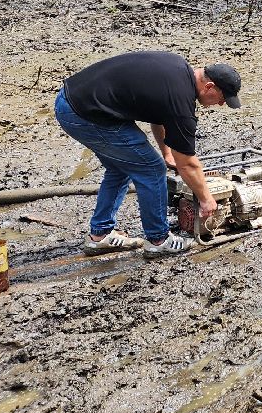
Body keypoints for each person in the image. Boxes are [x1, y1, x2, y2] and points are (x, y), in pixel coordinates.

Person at [54, 52, 242, 258]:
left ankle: (99, 235)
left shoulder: (178, 69)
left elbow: (158, 116)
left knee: (121, 166)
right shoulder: (181, 101)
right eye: (222, 98)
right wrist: (206, 199)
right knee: (152, 168)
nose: (222, 104)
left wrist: (166, 153)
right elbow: (188, 164)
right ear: (209, 87)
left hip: (71, 100)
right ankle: (158, 240)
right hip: (84, 114)